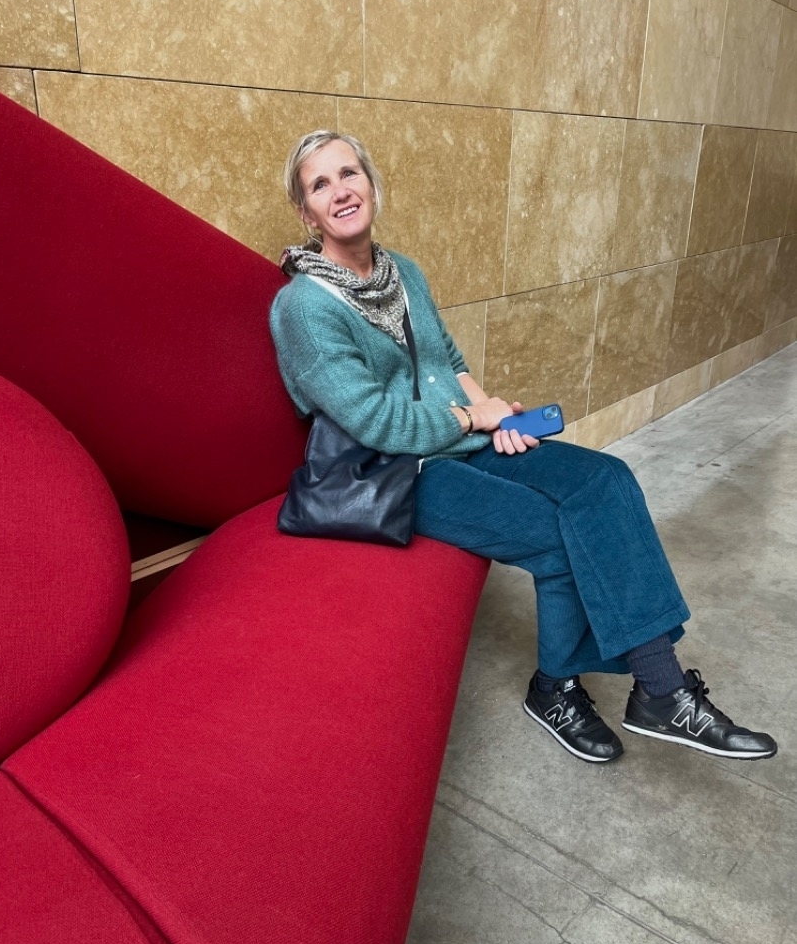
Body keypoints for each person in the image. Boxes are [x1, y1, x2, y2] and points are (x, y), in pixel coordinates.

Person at [269, 129, 777, 765]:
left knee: (606, 479)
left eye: (349, 173)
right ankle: (579, 689)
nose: (341, 191)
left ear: (370, 184)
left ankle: (656, 694)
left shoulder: (403, 272)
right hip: (393, 474)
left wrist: (494, 416)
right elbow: (375, 422)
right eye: (320, 185)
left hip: (460, 438)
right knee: (555, 532)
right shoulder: (304, 308)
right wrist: (470, 418)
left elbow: (450, 360)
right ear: (306, 212)